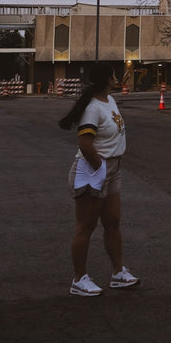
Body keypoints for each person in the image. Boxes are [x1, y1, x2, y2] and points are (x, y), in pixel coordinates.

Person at [58, 62, 140, 297]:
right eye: (114, 76)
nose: (117, 79)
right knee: (86, 226)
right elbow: (84, 144)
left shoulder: (109, 101)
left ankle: (117, 273)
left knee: (113, 221)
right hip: (93, 168)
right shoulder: (92, 108)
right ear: (107, 79)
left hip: (113, 168)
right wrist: (100, 169)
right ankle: (79, 279)